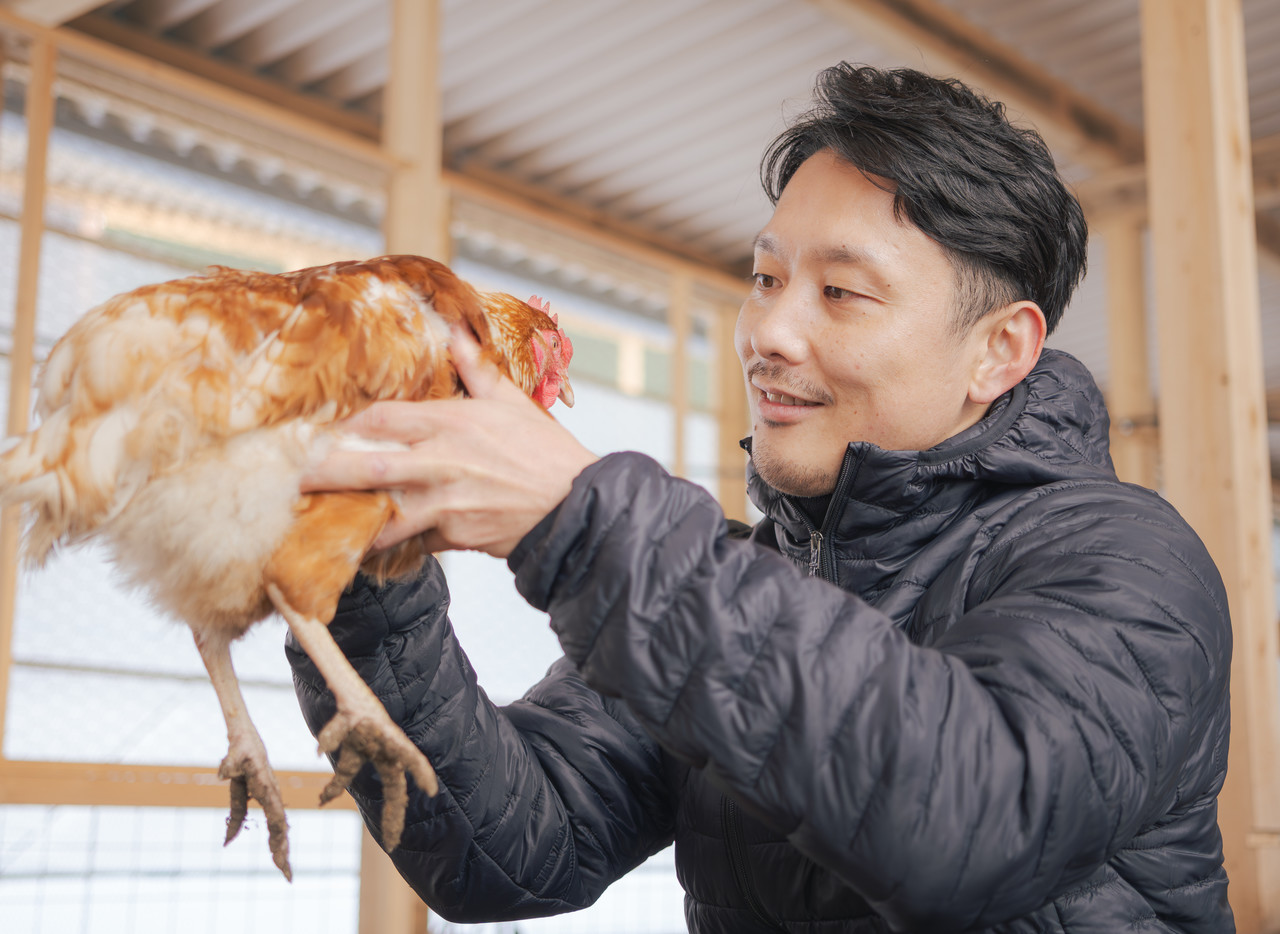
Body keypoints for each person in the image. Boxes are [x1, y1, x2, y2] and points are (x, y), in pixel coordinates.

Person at [289, 63, 1233, 932]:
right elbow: (512, 850)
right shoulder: (729, 585)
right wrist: (356, 568)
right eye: (766, 277)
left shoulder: (1129, 562)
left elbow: (974, 821)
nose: (768, 331)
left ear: (999, 351)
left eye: (842, 292)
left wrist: (578, 518)